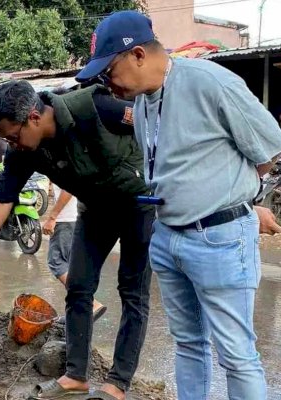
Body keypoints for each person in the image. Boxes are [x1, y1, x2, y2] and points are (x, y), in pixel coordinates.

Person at [76, 11, 281, 400]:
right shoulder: (142, 105)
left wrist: (230, 192)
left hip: (218, 237)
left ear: (137, 55)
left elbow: (268, 147)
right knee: (188, 343)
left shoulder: (210, 82)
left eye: (110, 70)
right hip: (168, 236)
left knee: (236, 354)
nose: (108, 83)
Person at [0, 80, 154, 400]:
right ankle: (76, 376)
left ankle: (117, 384)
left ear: (34, 118)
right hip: (95, 209)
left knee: (132, 292)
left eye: (12, 135)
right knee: (79, 286)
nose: (12, 144)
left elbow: (157, 126)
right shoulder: (22, 150)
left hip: (138, 205)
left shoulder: (96, 108)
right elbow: (1, 202)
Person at [42, 184, 106, 323]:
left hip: (66, 220)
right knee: (72, 266)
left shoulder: (63, 163)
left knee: (56, 262)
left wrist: (52, 217)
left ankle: (91, 302)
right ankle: (79, 310)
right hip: (78, 217)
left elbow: (68, 188)